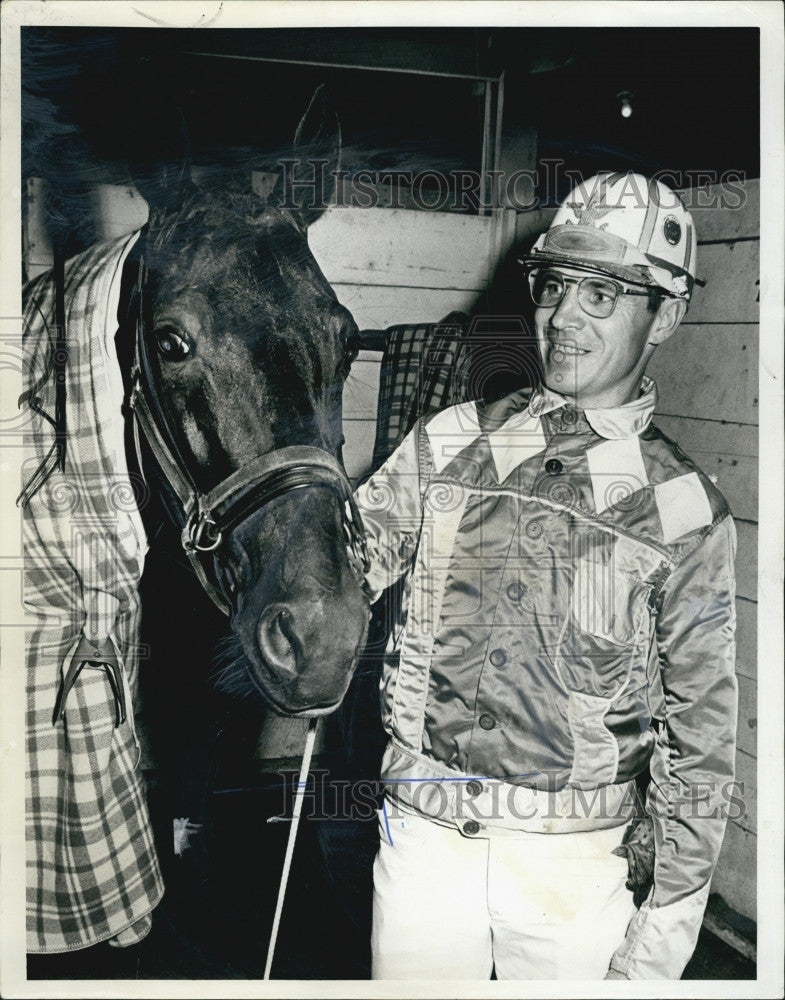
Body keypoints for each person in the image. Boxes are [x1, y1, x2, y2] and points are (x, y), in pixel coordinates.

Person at [353, 172, 738, 980]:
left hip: (569, 878)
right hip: (419, 846)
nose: (563, 315)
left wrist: (662, 936)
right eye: (555, 286)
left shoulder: (682, 510)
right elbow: (338, 573)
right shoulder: (449, 439)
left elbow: (698, 744)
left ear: (664, 315)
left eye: (602, 294)